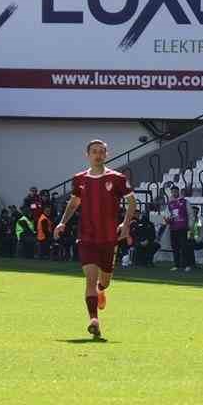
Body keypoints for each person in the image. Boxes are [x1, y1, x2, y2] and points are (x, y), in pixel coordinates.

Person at [54, 139, 136, 340]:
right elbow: (73, 203)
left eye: (101, 151)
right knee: (90, 278)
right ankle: (94, 320)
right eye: (94, 151)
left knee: (104, 281)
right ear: (87, 155)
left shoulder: (117, 178)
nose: (98, 155)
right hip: (87, 236)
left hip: (108, 238)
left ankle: (101, 290)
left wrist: (125, 225)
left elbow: (132, 202)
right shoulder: (79, 179)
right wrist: (62, 222)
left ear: (106, 155)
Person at [162, 185, 192, 272]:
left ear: (178, 192)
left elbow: (190, 214)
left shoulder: (185, 202)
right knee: (175, 247)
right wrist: (167, 219)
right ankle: (176, 265)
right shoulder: (170, 203)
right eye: (172, 191)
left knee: (184, 246)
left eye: (175, 191)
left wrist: (190, 225)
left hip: (183, 227)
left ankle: (187, 265)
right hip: (173, 228)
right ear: (171, 192)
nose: (174, 193)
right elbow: (166, 215)